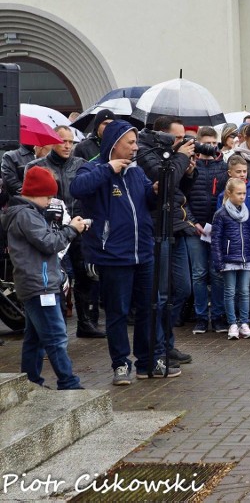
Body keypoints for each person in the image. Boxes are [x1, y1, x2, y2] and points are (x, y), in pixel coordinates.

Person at [70, 120, 179, 384]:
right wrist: (109, 169)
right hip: (113, 256)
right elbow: (77, 188)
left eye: (136, 143)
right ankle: (120, 364)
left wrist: (154, 191)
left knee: (148, 309)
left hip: (143, 252)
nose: (135, 147)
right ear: (114, 142)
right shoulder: (93, 167)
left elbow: (146, 202)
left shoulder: (136, 172)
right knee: (117, 313)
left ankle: (148, 361)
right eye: (130, 142)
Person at [1, 166, 87, 389]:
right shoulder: (26, 215)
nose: (50, 201)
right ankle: (69, 384)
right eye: (48, 196)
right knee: (56, 338)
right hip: (41, 286)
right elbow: (49, 243)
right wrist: (72, 230)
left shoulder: (25, 214)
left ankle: (31, 382)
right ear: (35, 193)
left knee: (35, 338)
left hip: (37, 284)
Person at [26, 126, 105, 338]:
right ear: (53, 141)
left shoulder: (82, 165)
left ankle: (86, 322)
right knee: (56, 278)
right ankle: (56, 326)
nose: (68, 145)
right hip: (50, 230)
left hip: (79, 227)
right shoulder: (36, 166)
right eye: (64, 141)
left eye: (71, 142)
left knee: (85, 275)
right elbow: (28, 200)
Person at [136, 116, 195, 366]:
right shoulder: (146, 153)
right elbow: (166, 183)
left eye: (184, 137)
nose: (182, 142)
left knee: (182, 289)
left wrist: (190, 172)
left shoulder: (173, 154)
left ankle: (167, 343)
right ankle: (159, 347)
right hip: (157, 228)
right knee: (159, 295)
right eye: (177, 137)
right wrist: (181, 158)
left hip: (177, 226)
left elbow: (181, 191)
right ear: (162, 134)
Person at [187, 126, 229, 335]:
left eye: (215, 143)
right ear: (198, 142)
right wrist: (193, 222)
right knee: (199, 274)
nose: (212, 147)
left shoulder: (223, 166)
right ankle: (201, 317)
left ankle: (219, 316)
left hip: (217, 229)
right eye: (208, 143)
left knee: (217, 273)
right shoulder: (190, 165)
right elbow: (182, 197)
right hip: (196, 228)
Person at [211, 178, 250, 340]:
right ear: (229, 193)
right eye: (239, 193)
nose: (242, 197)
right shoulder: (221, 214)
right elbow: (216, 239)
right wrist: (218, 261)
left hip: (246, 258)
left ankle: (244, 323)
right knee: (230, 291)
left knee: (245, 291)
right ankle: (232, 323)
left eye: (244, 193)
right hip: (228, 259)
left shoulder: (247, 214)